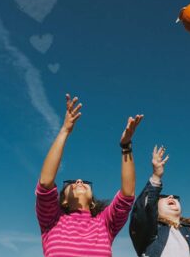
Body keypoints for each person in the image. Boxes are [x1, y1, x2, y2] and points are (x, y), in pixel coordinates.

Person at [35, 93, 143, 257]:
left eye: (84, 182)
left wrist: (126, 145)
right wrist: (65, 130)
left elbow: (127, 195)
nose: (79, 181)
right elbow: (45, 183)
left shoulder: (104, 223)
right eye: (71, 182)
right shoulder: (52, 220)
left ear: (93, 202)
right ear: (63, 199)